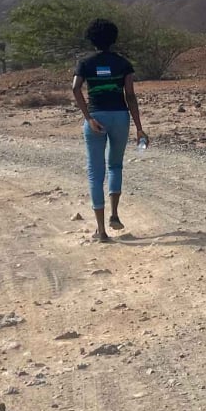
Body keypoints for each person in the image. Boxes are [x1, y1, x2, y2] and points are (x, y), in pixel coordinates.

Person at [71, 18, 147, 243]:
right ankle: (115, 214)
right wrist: (140, 129)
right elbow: (130, 96)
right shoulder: (124, 64)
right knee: (115, 165)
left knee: (95, 173)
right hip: (120, 117)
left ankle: (101, 231)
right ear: (113, 38)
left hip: (96, 118)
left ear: (91, 39)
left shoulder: (85, 64)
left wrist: (88, 117)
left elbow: (75, 88)